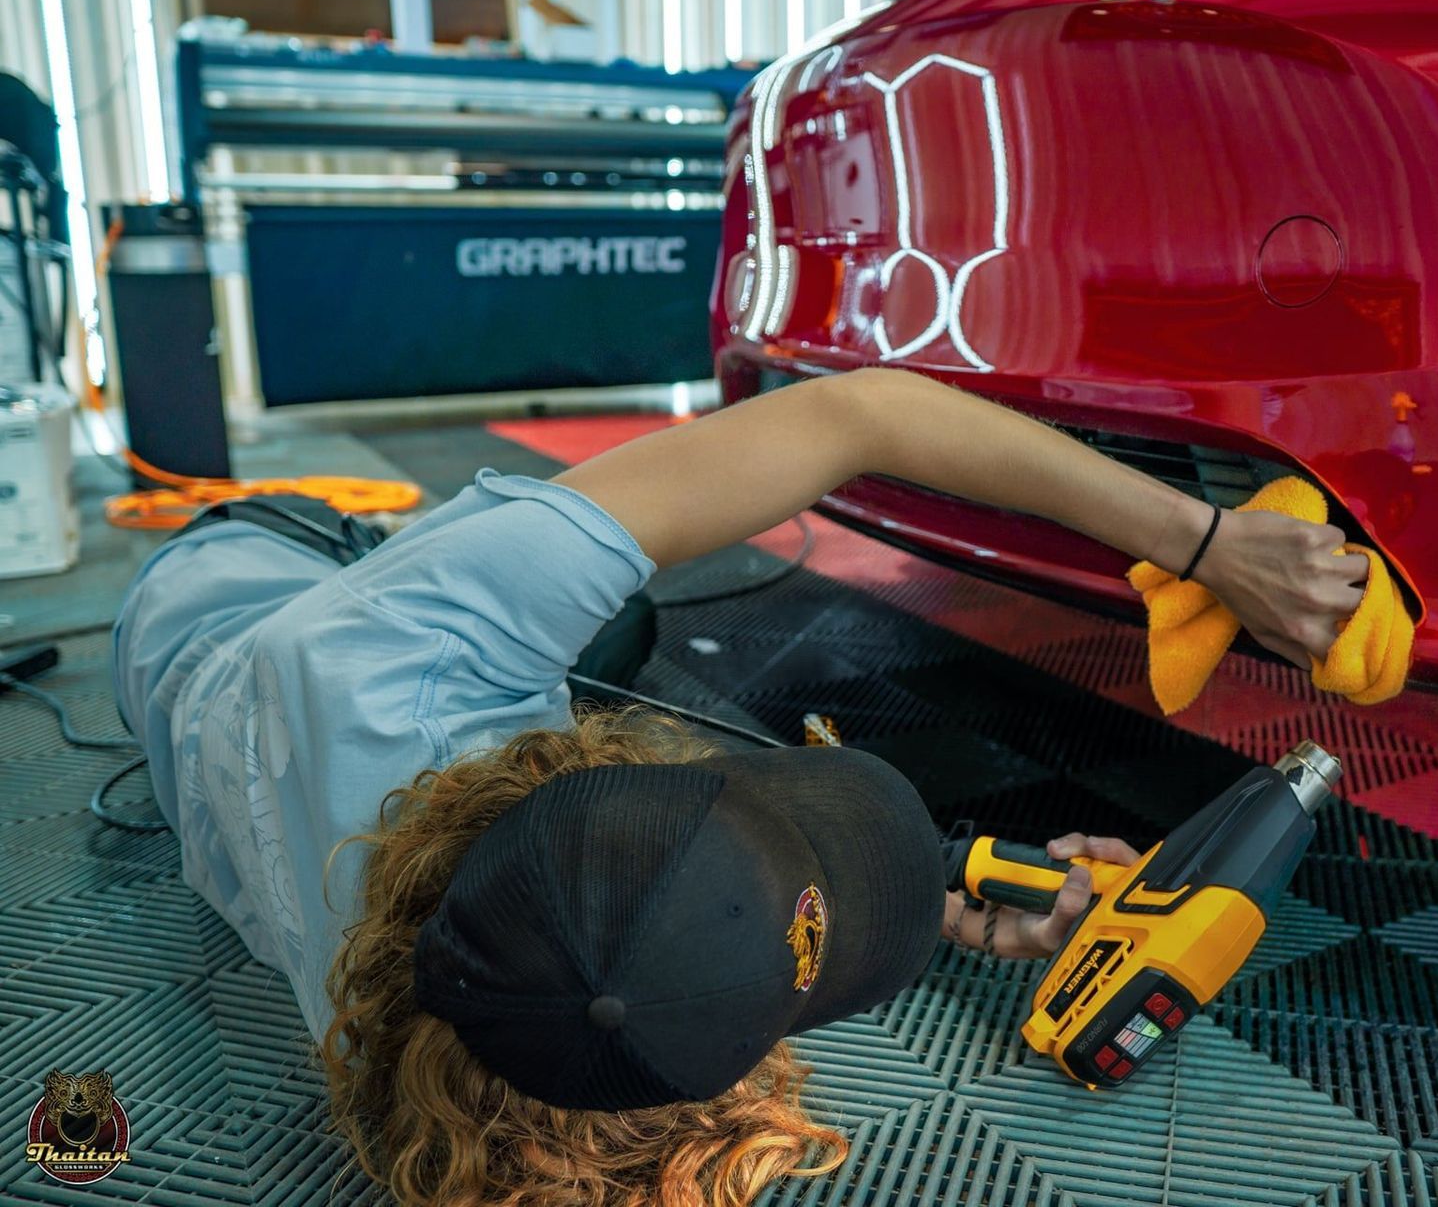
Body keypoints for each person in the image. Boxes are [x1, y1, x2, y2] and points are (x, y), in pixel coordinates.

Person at [111, 368, 1368, 1207]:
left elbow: (862, 414)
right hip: (191, 659)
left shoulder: (427, 638)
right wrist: (941, 905)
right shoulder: (435, 996)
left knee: (610, 611)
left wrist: (1208, 544)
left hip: (231, 572)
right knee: (620, 627)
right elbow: (638, 930)